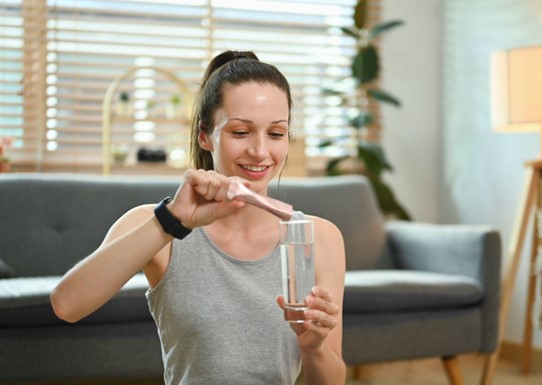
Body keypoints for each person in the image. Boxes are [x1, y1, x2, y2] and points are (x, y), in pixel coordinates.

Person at [50, 50, 347, 385]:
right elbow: (67, 304)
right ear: (205, 135)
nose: (261, 151)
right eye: (240, 132)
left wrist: (314, 348)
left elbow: (331, 379)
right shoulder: (157, 225)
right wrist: (172, 221)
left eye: (276, 134)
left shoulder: (318, 237)